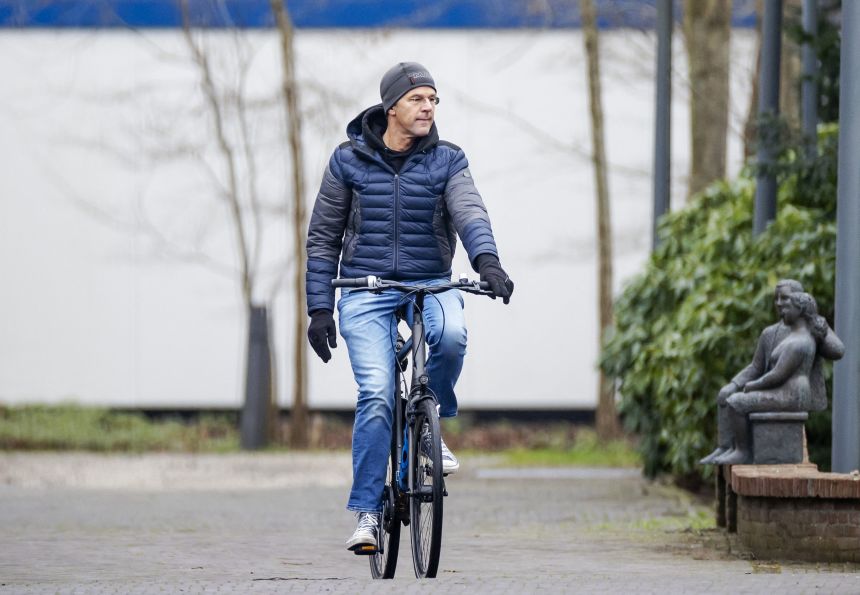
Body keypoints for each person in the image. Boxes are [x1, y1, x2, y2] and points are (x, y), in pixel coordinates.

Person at [304, 62, 514, 552]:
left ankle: (427, 426)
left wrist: (488, 262)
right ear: (391, 107)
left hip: (431, 281)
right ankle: (367, 514)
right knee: (376, 394)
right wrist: (320, 309)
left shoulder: (447, 160)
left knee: (453, 335)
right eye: (419, 99)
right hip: (364, 287)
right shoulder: (347, 161)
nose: (428, 108)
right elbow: (322, 239)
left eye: (433, 100)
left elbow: (469, 211)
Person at [700, 279, 843, 465]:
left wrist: (818, 325)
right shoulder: (770, 333)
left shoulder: (808, 330)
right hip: (772, 387)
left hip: (788, 391)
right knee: (725, 395)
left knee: (738, 402)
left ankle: (742, 451)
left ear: (799, 302)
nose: (779, 303)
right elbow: (755, 367)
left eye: (784, 298)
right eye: (776, 298)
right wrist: (735, 384)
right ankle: (726, 447)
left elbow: (837, 351)